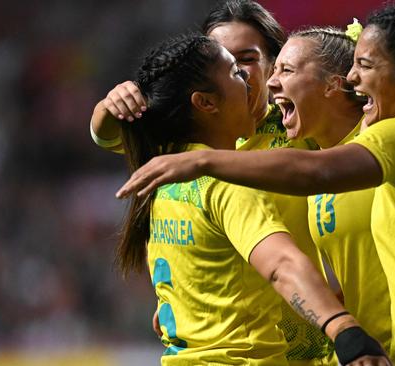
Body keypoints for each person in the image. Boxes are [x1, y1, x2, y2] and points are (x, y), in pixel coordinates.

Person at [117, 5, 395, 365]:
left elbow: (310, 176)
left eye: (283, 68)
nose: (264, 82)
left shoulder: (391, 142)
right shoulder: (359, 150)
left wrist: (203, 160)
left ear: (332, 86)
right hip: (391, 351)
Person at [113, 31, 389, 365]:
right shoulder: (222, 179)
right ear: (205, 102)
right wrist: (343, 328)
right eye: (233, 72)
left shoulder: (163, 178)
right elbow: (281, 265)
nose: (250, 80)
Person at [89, 1, 335, 364]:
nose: (242, 74)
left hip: (312, 340)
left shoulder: (301, 124)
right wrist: (112, 105)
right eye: (228, 63)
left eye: (247, 59)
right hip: (253, 347)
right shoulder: (188, 147)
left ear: (274, 64)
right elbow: (108, 133)